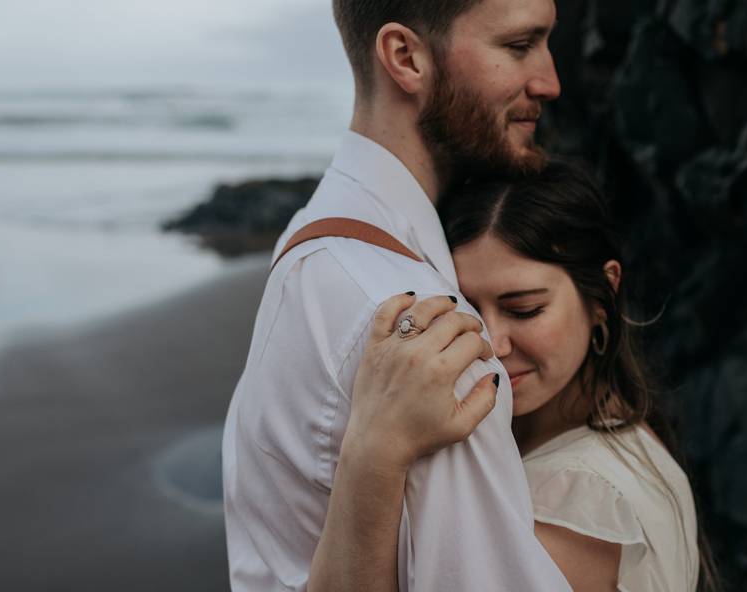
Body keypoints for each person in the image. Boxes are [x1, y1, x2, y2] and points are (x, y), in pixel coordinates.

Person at [222, 0, 572, 590]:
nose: (549, 80)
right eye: (519, 45)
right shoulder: (428, 341)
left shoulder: (314, 239)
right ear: (406, 58)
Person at [309, 163, 720, 591]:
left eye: (524, 309)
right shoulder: (626, 433)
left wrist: (373, 447)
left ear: (604, 294)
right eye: (466, 310)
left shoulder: (586, 502)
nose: (492, 343)